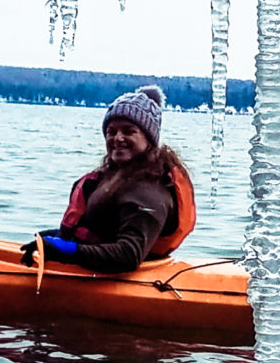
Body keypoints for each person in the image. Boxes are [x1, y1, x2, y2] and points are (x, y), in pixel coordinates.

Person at [25, 85, 198, 274]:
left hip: (126, 278)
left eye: (128, 131)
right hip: (95, 270)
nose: (118, 138)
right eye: (111, 131)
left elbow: (128, 255)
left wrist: (67, 250)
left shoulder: (149, 191)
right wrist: (60, 238)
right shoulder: (117, 176)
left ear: (149, 138)